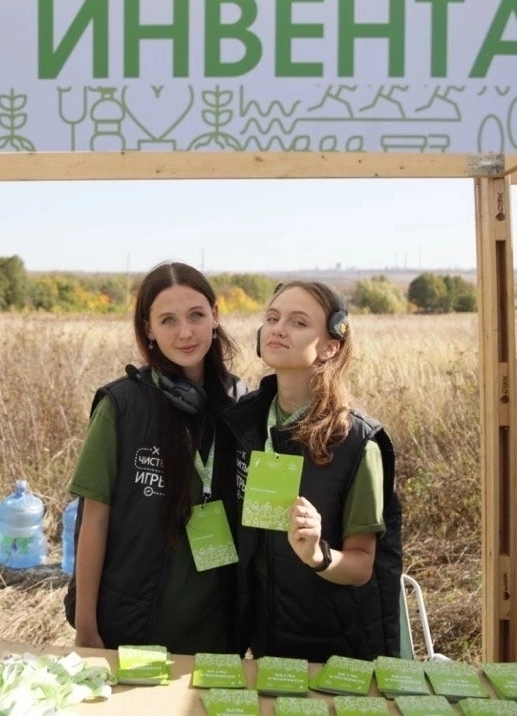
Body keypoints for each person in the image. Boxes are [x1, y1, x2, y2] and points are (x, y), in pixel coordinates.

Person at [65, 262, 246, 654]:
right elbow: (93, 520)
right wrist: (85, 627)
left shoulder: (241, 405)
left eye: (196, 315)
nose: (185, 332)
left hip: (218, 632)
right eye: (167, 320)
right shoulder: (121, 406)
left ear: (215, 316)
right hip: (133, 628)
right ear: (148, 328)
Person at [220, 281, 403, 662]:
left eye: (298, 322)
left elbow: (361, 566)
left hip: (337, 650)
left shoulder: (357, 444)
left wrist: (318, 555)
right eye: (272, 317)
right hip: (266, 641)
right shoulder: (244, 424)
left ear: (330, 345)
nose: (278, 328)